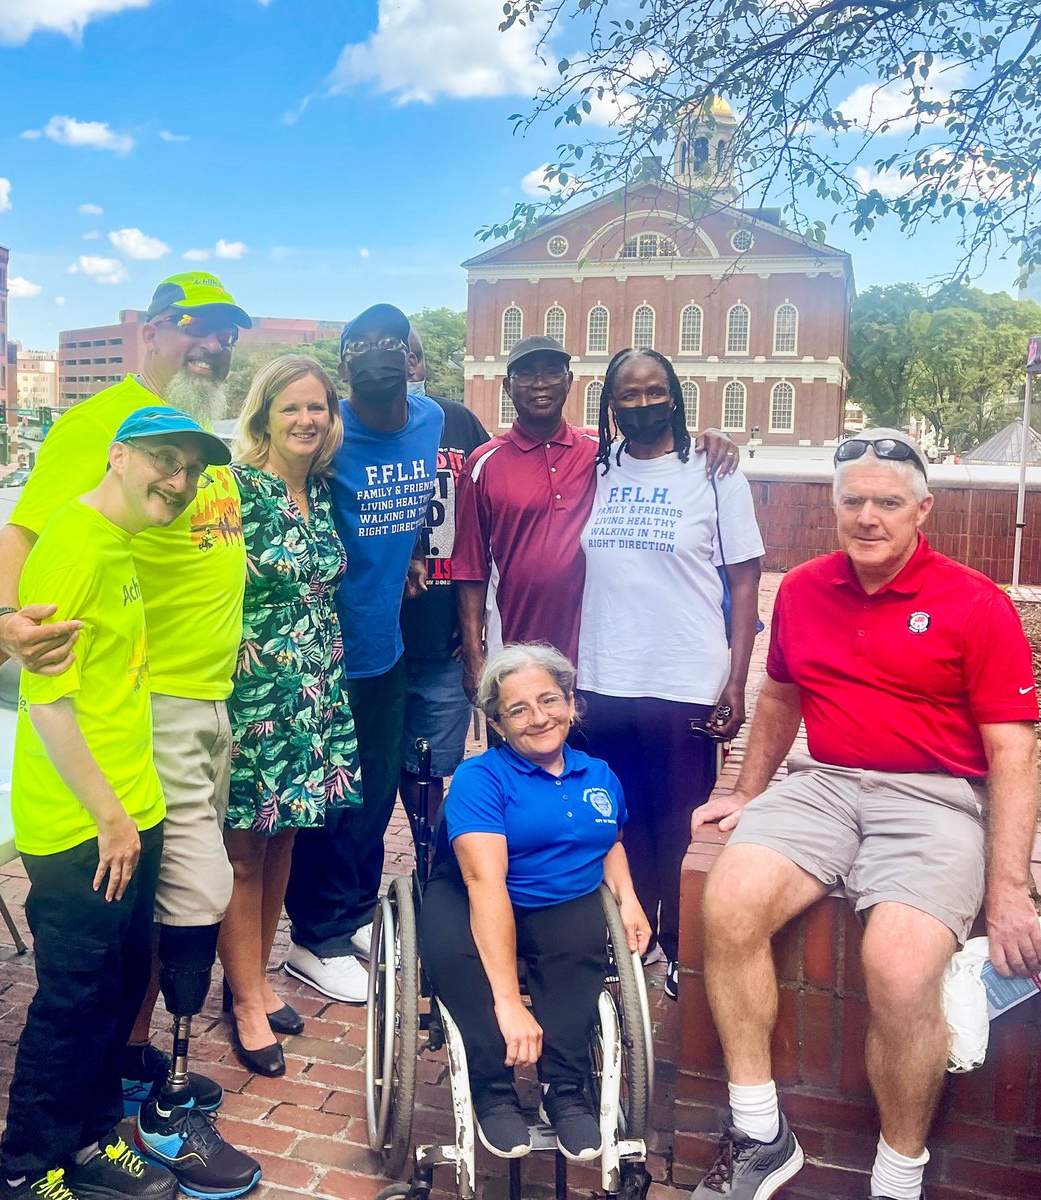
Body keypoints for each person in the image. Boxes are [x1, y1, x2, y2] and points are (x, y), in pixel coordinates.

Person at [687, 428, 1041, 1200]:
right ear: (833, 508)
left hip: (935, 797)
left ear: (923, 510)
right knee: (730, 900)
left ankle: (897, 1173)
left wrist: (1009, 888)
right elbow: (780, 694)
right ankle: (758, 1132)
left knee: (901, 964)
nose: (869, 517)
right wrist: (746, 791)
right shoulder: (808, 589)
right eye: (854, 501)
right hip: (825, 783)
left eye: (888, 502)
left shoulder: (974, 603)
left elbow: (1014, 756)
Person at [0, 273, 261, 1199]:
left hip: (152, 759)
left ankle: (102, 1131)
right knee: (81, 987)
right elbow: (23, 579)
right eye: (196, 330)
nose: (213, 348)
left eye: (226, 335)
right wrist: (5, 624)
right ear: (149, 331)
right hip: (96, 793)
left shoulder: (175, 467)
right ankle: (37, 1165)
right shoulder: (88, 481)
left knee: (116, 973)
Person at [577, 348, 764, 1002]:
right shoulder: (598, 467)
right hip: (603, 677)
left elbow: (744, 584)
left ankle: (683, 947)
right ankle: (631, 942)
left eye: (655, 391)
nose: (642, 403)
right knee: (616, 820)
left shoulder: (713, 471)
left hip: (686, 676)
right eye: (627, 394)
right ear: (611, 403)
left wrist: (737, 680)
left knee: (680, 822)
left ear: (676, 395)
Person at [419, 643, 650, 1163]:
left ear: (571, 703)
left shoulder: (599, 776)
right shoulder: (481, 779)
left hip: (559, 896)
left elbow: (608, 841)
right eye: (518, 709)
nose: (538, 718)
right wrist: (508, 1000)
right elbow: (485, 883)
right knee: (459, 963)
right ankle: (493, 1088)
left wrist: (628, 897)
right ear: (498, 726)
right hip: (473, 894)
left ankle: (564, 1090)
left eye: (549, 700)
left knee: (582, 946)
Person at [282, 304, 442, 1003]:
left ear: (413, 358)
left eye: (390, 343)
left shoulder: (432, 420)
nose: (377, 354)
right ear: (346, 364)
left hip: (387, 645)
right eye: (361, 345)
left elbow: (426, 497)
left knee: (374, 794)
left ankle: (350, 916)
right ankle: (312, 938)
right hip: (322, 651)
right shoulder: (328, 431)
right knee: (326, 800)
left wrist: (409, 557)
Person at [451, 334, 740, 697]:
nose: (540, 384)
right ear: (508, 387)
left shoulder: (603, 455)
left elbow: (656, 454)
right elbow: (470, 567)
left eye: (551, 372)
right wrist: (475, 656)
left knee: (591, 753)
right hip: (514, 646)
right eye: (526, 375)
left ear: (569, 382)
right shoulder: (484, 463)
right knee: (520, 749)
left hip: (594, 657)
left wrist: (712, 436)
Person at [217, 355, 362, 1075]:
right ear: (263, 417)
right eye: (291, 409)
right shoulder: (236, 490)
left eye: (318, 409)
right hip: (255, 694)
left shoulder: (324, 493)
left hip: (314, 688)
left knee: (285, 842)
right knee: (244, 852)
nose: (307, 420)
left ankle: (257, 973)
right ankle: (244, 998)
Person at [399, 328, 490, 818]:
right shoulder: (350, 430)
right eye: (396, 357)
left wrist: (477, 626)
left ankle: (426, 869)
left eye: (413, 357)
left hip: (445, 642)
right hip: (375, 650)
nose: (406, 367)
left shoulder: (457, 421)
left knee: (428, 772)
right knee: (369, 774)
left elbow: (497, 505)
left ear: (424, 365)